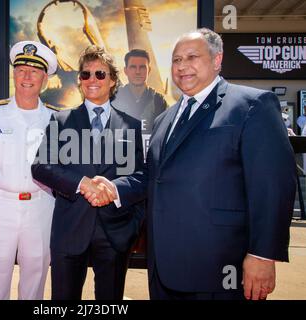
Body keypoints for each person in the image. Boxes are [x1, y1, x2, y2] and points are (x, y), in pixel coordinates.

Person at [86, 28, 297, 300]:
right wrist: (114, 189)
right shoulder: (165, 120)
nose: (182, 66)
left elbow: (274, 184)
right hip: (164, 265)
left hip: (220, 267)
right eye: (176, 60)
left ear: (217, 60)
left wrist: (263, 254)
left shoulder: (251, 106)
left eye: (192, 57)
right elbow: (153, 175)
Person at [31, 45, 144, 300]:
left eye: (100, 74)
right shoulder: (61, 120)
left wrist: (113, 191)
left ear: (113, 80)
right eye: (85, 74)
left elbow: (140, 177)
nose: (92, 80)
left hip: (115, 230)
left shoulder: (131, 125)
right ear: (80, 81)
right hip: (70, 227)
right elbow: (40, 166)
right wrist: (83, 183)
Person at [0, 41, 59, 300]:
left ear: (44, 78)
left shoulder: (57, 118)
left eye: (34, 71)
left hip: (41, 207)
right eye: (21, 69)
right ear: (13, 74)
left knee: (35, 280)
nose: (27, 76)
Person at [113, 49, 168, 134]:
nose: (138, 72)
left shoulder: (159, 101)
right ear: (125, 70)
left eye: (142, 67)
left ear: (148, 70)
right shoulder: (114, 99)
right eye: (133, 67)